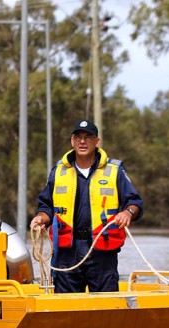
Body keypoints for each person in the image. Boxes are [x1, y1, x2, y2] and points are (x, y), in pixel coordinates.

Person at [30, 119, 143, 293]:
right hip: (67, 254)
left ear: (97, 141)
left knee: (106, 309)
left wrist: (127, 213)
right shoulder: (58, 172)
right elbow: (46, 207)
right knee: (66, 310)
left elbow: (134, 203)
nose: (83, 142)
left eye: (88, 137)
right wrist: (40, 218)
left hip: (102, 252)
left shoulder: (114, 171)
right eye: (78, 137)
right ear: (72, 141)